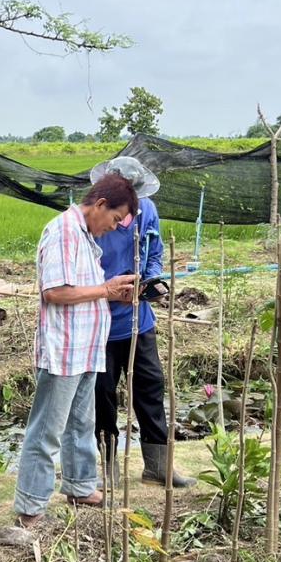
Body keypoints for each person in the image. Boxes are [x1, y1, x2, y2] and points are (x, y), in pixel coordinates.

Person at [13, 173, 140, 526]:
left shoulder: (86, 236)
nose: (113, 228)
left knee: (81, 424)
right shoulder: (64, 232)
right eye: (115, 219)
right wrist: (106, 289)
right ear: (100, 205)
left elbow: (88, 288)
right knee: (47, 430)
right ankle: (31, 507)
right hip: (64, 349)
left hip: (86, 347)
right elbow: (55, 292)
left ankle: (80, 485)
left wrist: (114, 293)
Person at [91, 157, 196, 488]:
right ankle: (108, 467)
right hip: (100, 322)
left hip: (139, 319)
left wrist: (152, 281)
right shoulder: (94, 216)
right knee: (103, 393)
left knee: (151, 386)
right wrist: (108, 290)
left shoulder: (148, 211)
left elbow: (154, 252)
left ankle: (158, 466)